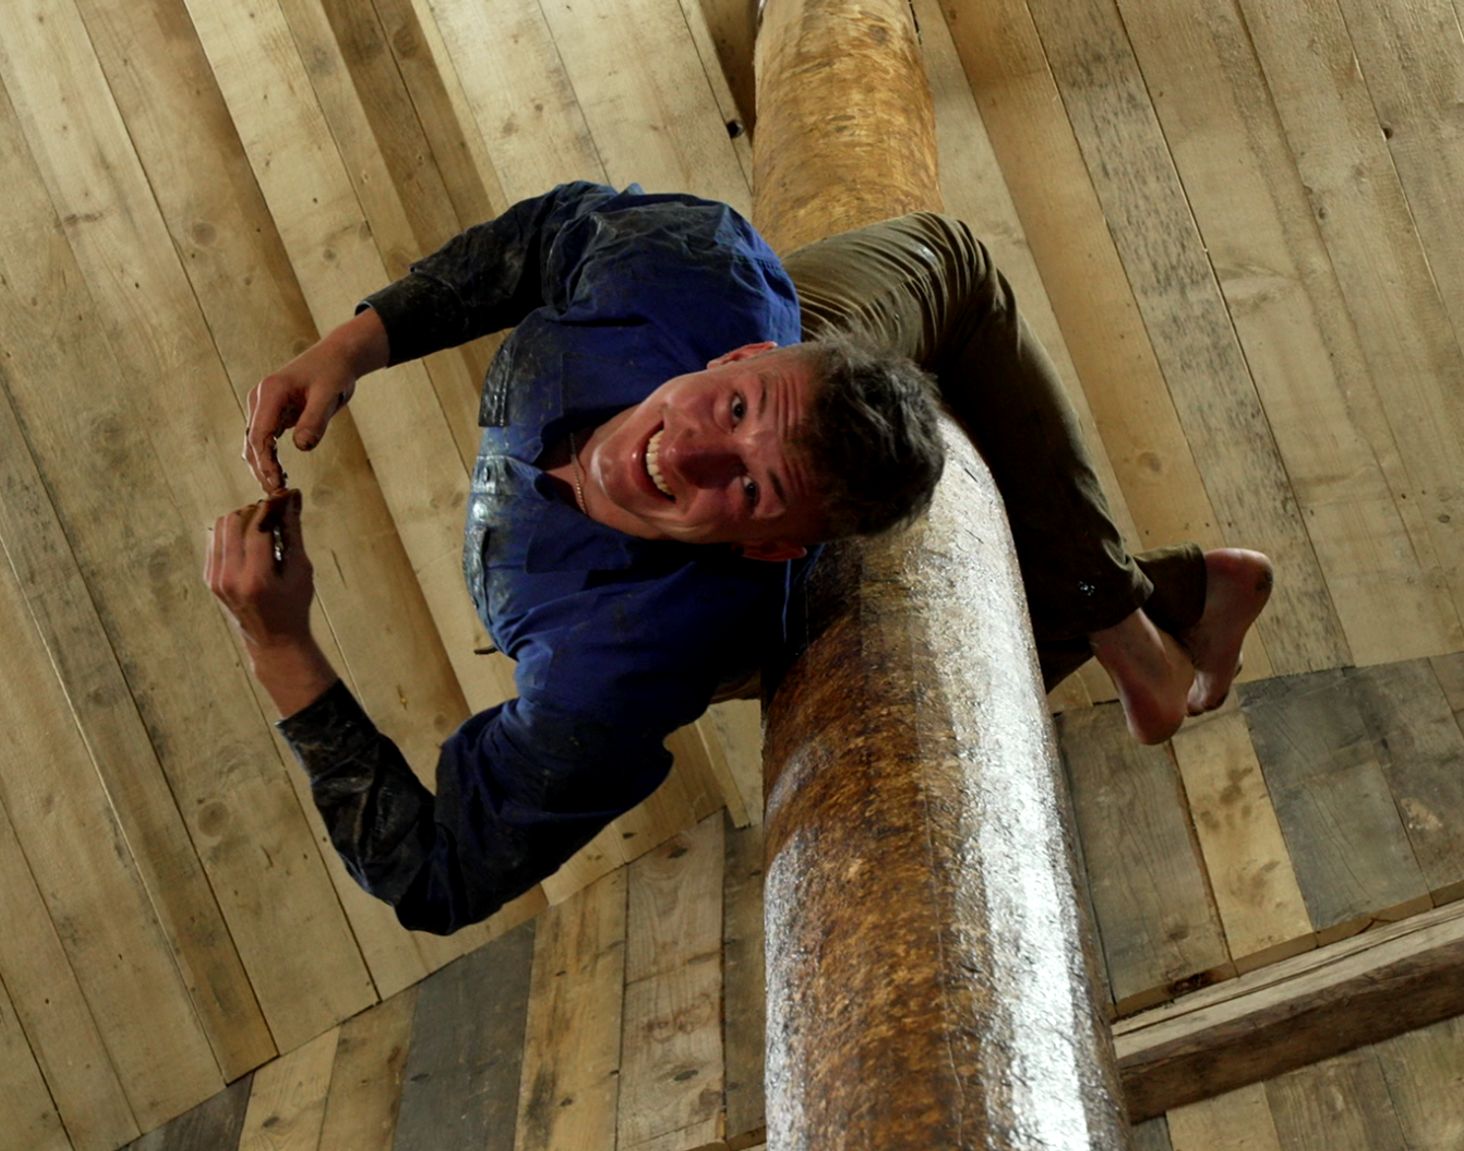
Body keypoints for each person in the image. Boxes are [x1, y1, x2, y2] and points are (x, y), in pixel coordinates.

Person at [205, 182, 1270, 934]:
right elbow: (546, 238)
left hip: (703, 603)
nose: (679, 452)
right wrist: (353, 343)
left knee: (888, 630)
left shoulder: (608, 671)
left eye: (742, 484)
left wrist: (278, 643)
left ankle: (1146, 601)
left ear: (767, 536)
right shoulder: (690, 270)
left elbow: (435, 873)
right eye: (728, 405)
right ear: (738, 359)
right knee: (945, 257)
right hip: (810, 325)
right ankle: (1159, 600)